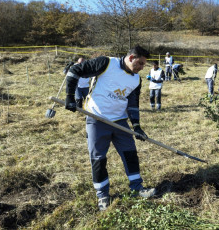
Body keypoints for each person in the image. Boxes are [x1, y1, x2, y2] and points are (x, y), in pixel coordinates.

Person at [64, 45, 156, 211]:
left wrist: (136, 125)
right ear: (130, 58)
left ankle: (137, 188)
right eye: (140, 63)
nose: (142, 68)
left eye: (144, 65)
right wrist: (70, 97)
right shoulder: (106, 64)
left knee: (130, 154)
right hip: (96, 118)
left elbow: (133, 103)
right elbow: (74, 71)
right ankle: (103, 195)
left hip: (120, 121)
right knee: (98, 158)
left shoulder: (136, 79)